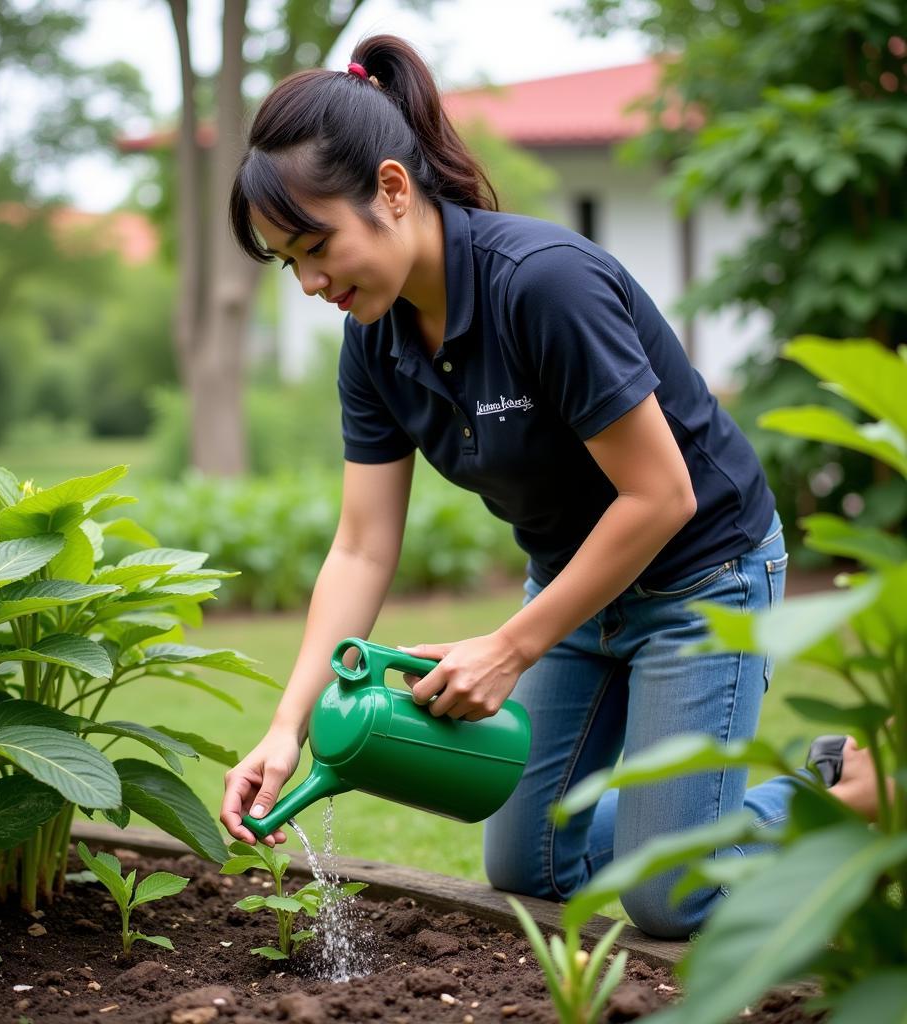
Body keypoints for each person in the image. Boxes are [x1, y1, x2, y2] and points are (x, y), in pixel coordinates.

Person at [220, 35, 872, 938]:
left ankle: (835, 788)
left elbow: (663, 497)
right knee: (528, 864)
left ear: (394, 189)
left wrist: (510, 648)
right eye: (288, 262)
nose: (311, 282)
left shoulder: (542, 285)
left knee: (671, 899)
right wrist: (285, 727)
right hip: (574, 588)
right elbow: (362, 545)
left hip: (701, 577)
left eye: (316, 245)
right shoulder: (374, 341)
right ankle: (680, 827)